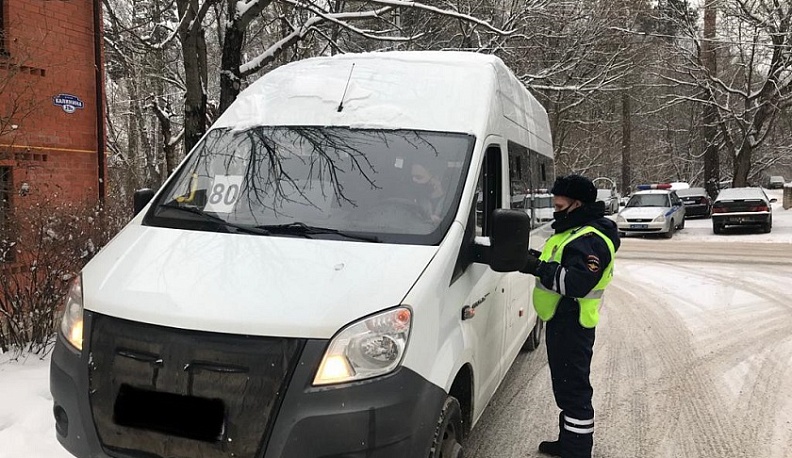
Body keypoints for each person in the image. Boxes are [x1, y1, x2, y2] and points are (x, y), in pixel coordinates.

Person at [520, 174, 621, 458]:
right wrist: (532, 258)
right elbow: (558, 261)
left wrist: (536, 268)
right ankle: (568, 442)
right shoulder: (574, 230)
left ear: (577, 204)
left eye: (560, 205)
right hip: (562, 321)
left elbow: (576, 282)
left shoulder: (591, 239)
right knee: (565, 388)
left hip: (573, 323)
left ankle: (577, 451)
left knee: (574, 392)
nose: (555, 210)